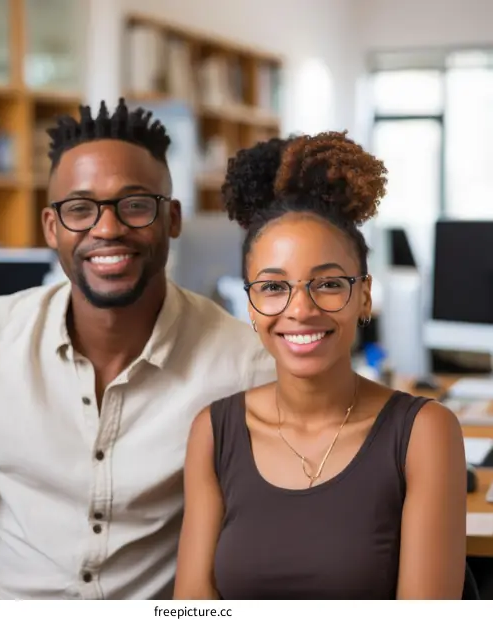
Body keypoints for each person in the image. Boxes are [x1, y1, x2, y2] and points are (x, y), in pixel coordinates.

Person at [0, 99, 275, 600]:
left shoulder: (242, 364)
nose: (107, 228)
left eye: (135, 204)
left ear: (173, 219)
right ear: (52, 227)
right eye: (79, 209)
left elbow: (273, 548)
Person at [173, 131, 467, 600]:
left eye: (328, 284)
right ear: (249, 305)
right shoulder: (214, 430)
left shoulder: (424, 432)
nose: (301, 309)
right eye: (272, 287)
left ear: (364, 295)